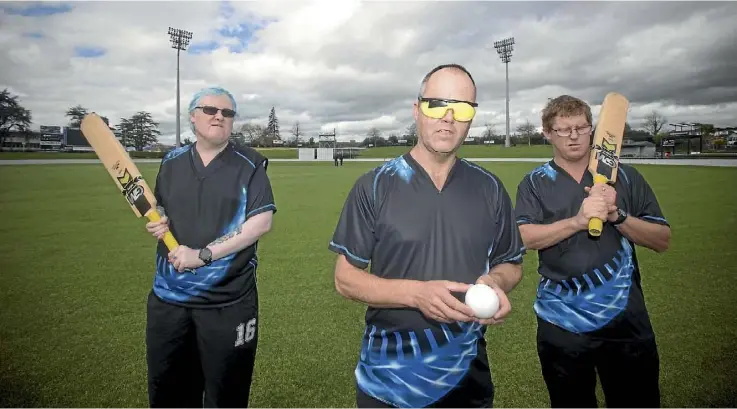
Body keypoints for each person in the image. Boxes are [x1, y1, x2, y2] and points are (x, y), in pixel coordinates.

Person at [328, 64, 526, 408]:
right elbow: (345, 279)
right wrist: (417, 294)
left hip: (468, 379)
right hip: (387, 383)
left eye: (462, 108)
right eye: (437, 104)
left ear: (471, 118)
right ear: (417, 109)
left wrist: (495, 281)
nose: (448, 117)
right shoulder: (374, 186)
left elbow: (511, 263)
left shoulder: (490, 188)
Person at [514, 95, 671, 408]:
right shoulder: (533, 184)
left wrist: (617, 216)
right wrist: (577, 221)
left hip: (626, 321)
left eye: (581, 128)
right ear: (547, 133)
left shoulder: (626, 177)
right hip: (561, 324)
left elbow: (661, 239)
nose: (573, 136)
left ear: (592, 131)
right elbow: (524, 238)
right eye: (563, 129)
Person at [144, 86, 277, 408]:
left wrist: (202, 256)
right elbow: (161, 206)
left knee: (226, 394)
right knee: (169, 391)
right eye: (210, 110)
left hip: (228, 301)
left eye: (227, 113)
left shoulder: (250, 164)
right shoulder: (172, 160)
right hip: (169, 299)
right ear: (192, 116)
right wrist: (159, 220)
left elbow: (260, 223)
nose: (219, 116)